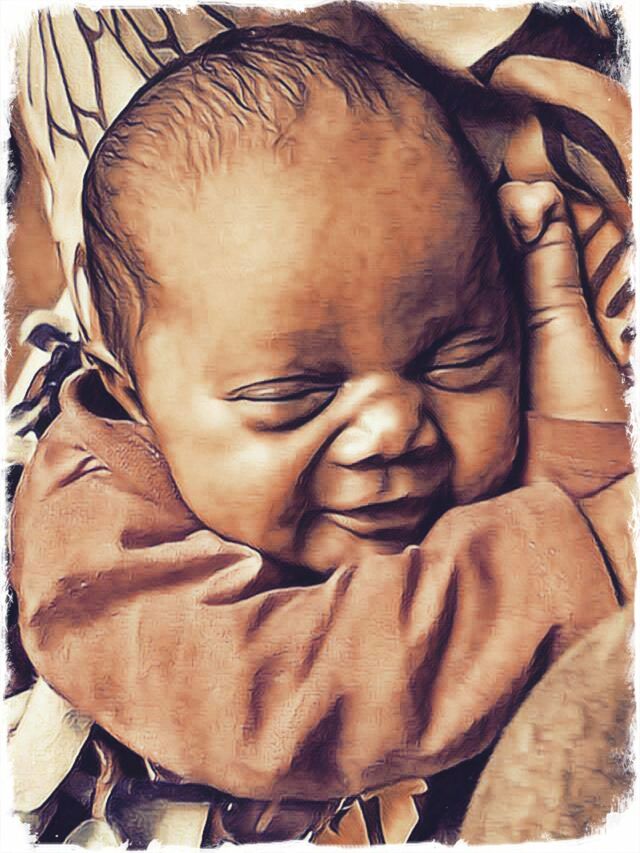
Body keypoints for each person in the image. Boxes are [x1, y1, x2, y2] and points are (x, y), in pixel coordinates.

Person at [9, 25, 633, 845]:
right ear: (133, 389)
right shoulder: (96, 544)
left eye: (456, 357)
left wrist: (554, 317)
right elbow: (279, 702)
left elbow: (572, 500)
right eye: (292, 396)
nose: (392, 427)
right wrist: (583, 554)